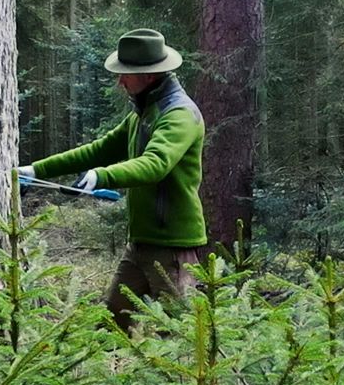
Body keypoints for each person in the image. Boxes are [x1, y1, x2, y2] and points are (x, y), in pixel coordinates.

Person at [19, 29, 206, 333]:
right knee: (111, 324)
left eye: (125, 74)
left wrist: (101, 176)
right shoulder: (142, 114)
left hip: (173, 248)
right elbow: (99, 150)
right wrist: (35, 170)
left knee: (181, 338)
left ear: (148, 75)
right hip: (140, 245)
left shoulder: (180, 115)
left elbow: (155, 164)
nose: (120, 82)